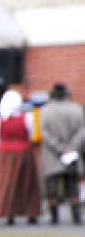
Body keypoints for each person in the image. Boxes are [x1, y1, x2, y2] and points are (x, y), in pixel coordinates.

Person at [0, 89, 41, 225]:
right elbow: (31, 135)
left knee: (6, 184)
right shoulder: (27, 118)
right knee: (27, 184)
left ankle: (8, 213)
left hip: (4, 155)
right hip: (24, 153)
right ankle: (31, 213)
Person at [39, 83, 84, 225]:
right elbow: (81, 131)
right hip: (72, 153)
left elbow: (44, 133)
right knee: (72, 185)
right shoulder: (77, 110)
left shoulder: (45, 111)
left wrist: (59, 147)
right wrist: (71, 147)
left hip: (52, 155)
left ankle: (54, 217)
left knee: (52, 187)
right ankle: (76, 216)